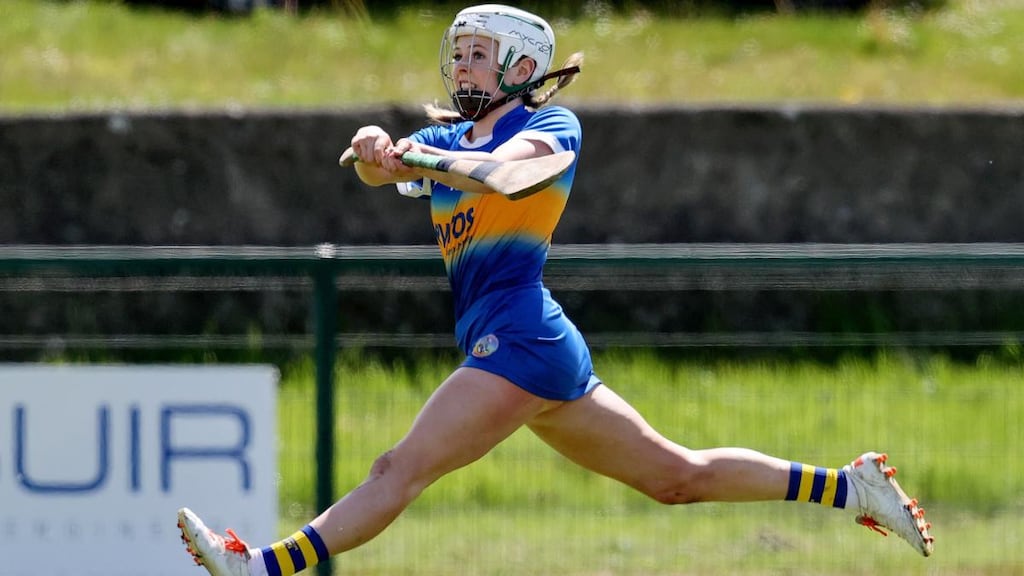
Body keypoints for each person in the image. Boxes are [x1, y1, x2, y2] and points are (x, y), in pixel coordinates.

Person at [177, 5, 934, 575]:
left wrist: (415, 159)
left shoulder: (552, 126)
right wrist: (378, 148)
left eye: (480, 55)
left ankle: (262, 565)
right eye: (459, 55)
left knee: (396, 471)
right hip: (533, 339)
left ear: (519, 68)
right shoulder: (446, 140)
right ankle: (849, 487)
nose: (463, 67)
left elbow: (511, 175)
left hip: (520, 340)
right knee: (677, 477)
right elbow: (380, 167)